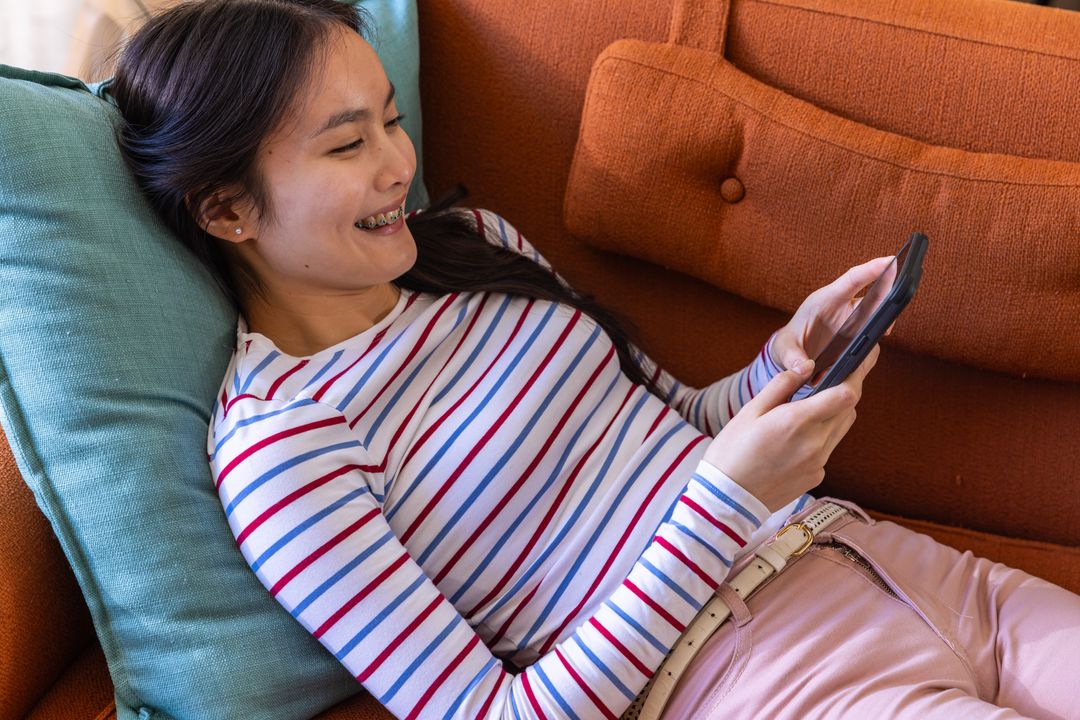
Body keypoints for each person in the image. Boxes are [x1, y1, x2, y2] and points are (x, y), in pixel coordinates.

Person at [110, 1, 1080, 718]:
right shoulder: (286, 453)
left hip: (888, 561)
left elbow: (672, 425)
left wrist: (787, 364)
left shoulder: (470, 244)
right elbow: (493, 714)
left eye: (393, 119)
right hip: (757, 677)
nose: (395, 165)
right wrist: (730, 501)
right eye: (345, 144)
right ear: (228, 209)